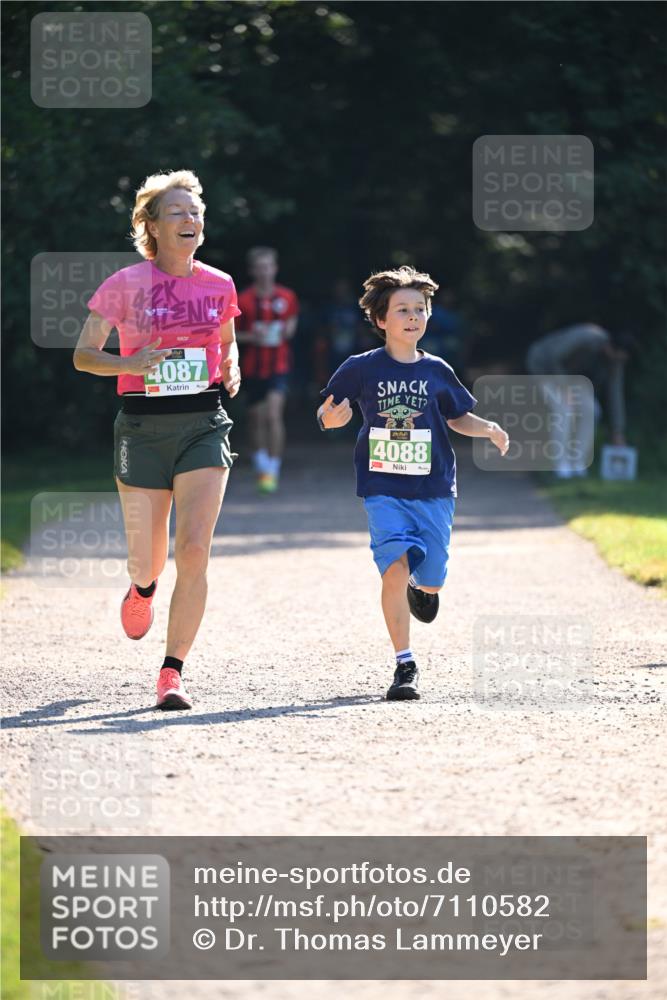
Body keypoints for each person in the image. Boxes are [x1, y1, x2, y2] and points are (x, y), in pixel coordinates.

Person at [73, 169, 242, 711]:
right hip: (141, 429)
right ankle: (142, 588)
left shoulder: (219, 283)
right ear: (151, 224)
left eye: (196, 212)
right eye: (178, 212)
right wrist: (130, 361)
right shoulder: (125, 285)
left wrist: (232, 368)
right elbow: (84, 355)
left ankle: (171, 672)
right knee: (147, 560)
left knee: (192, 551)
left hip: (203, 424)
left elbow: (228, 342)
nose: (191, 220)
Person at [317, 266, 509, 701]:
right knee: (393, 566)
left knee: (433, 578)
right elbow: (329, 411)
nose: (412, 317)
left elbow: (457, 416)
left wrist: (490, 428)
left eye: (419, 310)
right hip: (382, 487)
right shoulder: (360, 368)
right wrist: (332, 418)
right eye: (402, 310)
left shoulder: (437, 370)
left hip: (434, 488)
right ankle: (405, 664)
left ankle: (420, 590)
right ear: (381, 319)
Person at [525, 323, 633, 478]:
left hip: (574, 379)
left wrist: (618, 430)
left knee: (592, 411)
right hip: (545, 367)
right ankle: (561, 465)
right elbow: (555, 357)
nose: (617, 362)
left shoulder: (615, 361)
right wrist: (564, 388)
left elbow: (615, 393)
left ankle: (578, 463)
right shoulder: (587, 337)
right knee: (564, 410)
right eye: (616, 358)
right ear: (610, 347)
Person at [236, 247, 299, 493]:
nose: (264, 271)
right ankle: (261, 463)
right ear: (253, 270)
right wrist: (252, 335)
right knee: (256, 420)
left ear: (275, 268)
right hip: (252, 368)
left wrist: (285, 331)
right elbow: (231, 335)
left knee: (273, 414)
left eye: (268, 266)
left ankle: (273, 469)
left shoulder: (287, 296)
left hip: (279, 366)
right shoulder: (243, 299)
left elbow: (291, 327)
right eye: (259, 267)